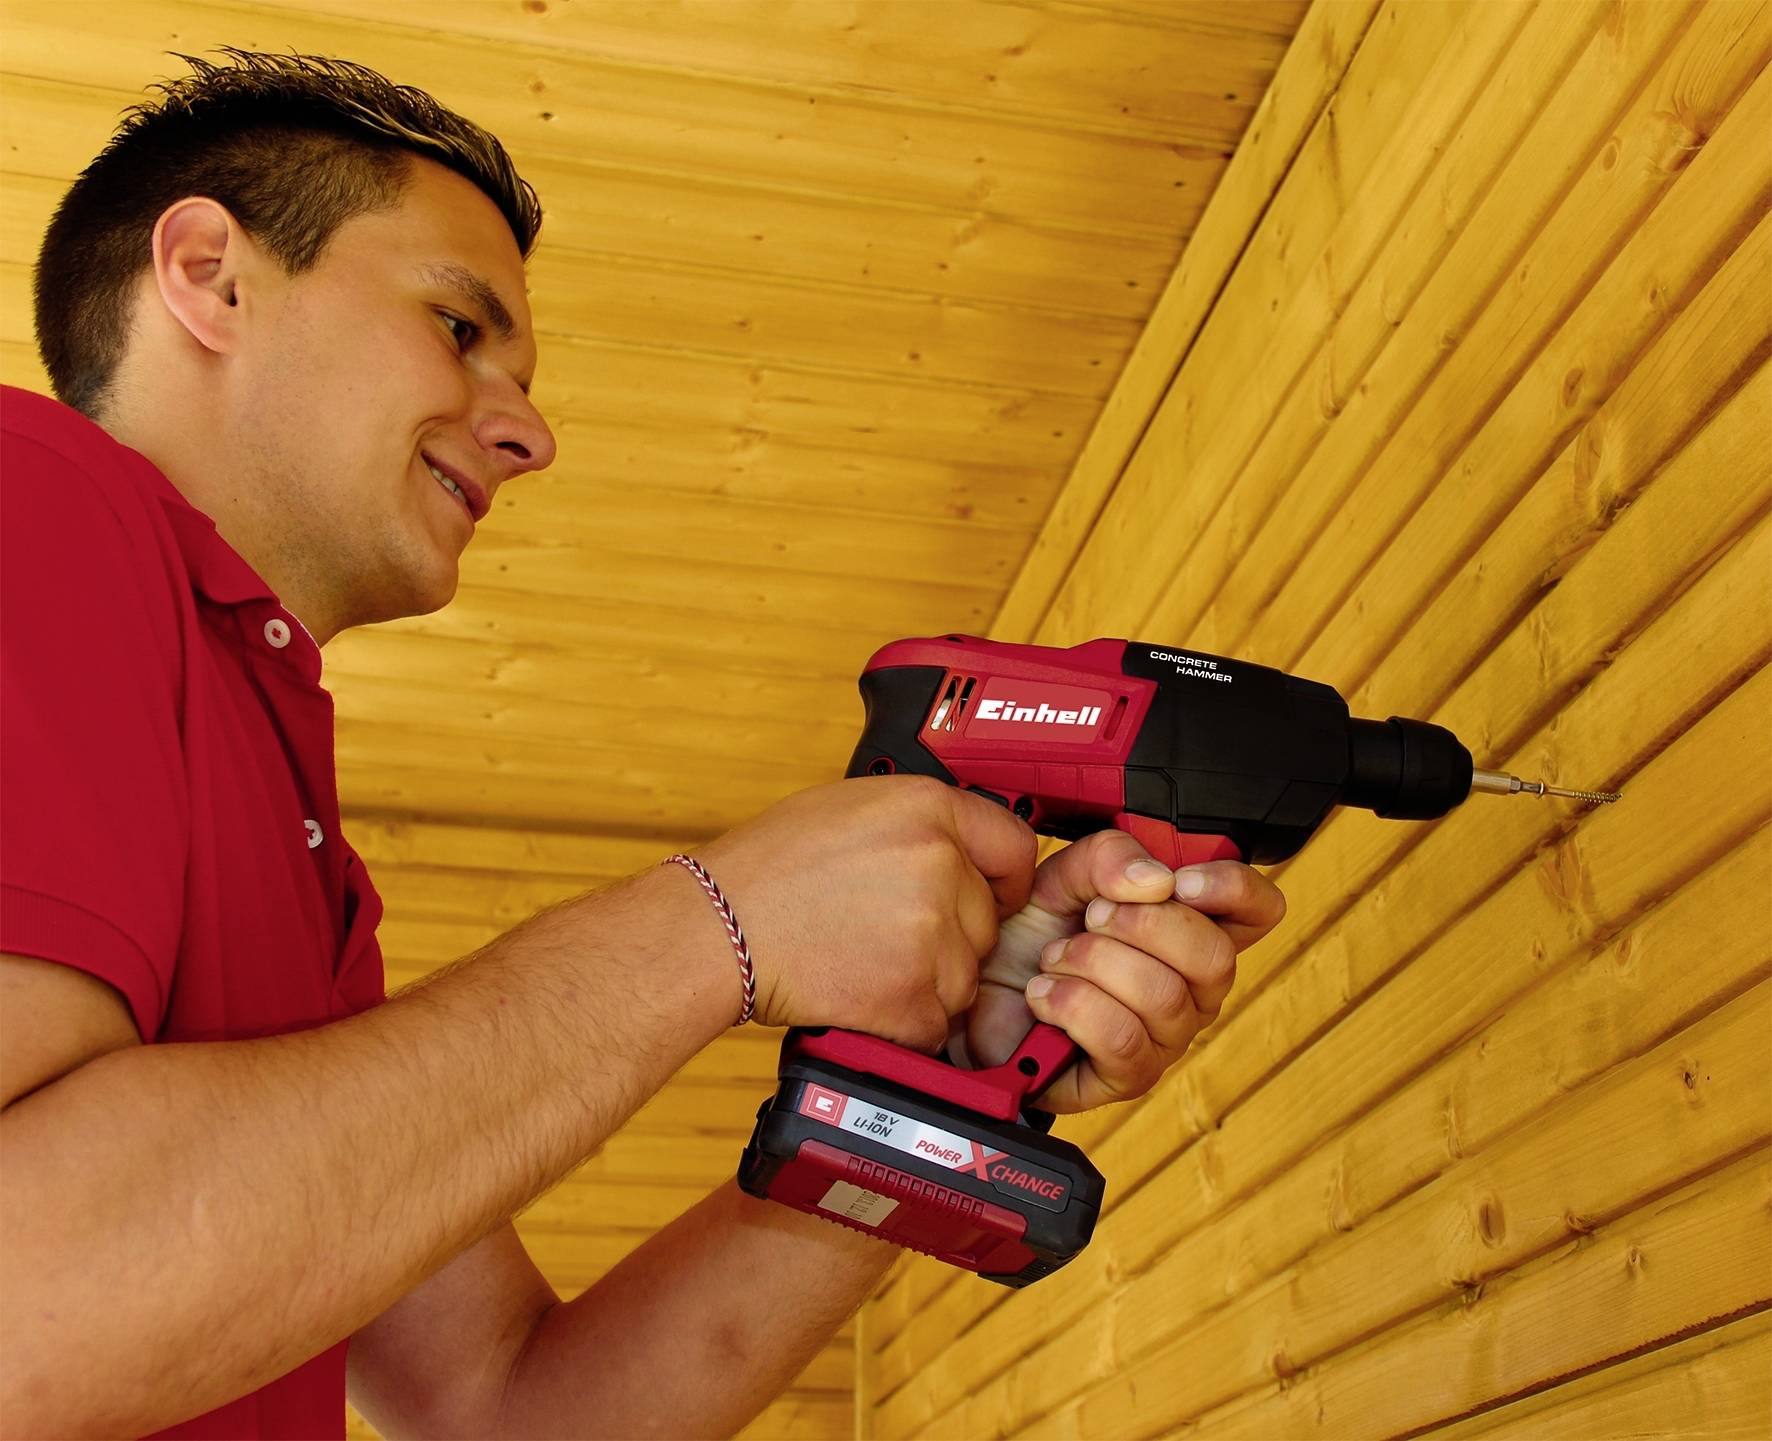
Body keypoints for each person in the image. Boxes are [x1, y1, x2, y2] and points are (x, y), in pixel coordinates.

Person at [0, 49, 1286, 1440]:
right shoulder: (37, 494)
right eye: (458, 326)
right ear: (209, 274)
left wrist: (937, 1087)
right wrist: (718, 924)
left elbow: (510, 1408)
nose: (529, 428)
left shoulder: (298, 846)